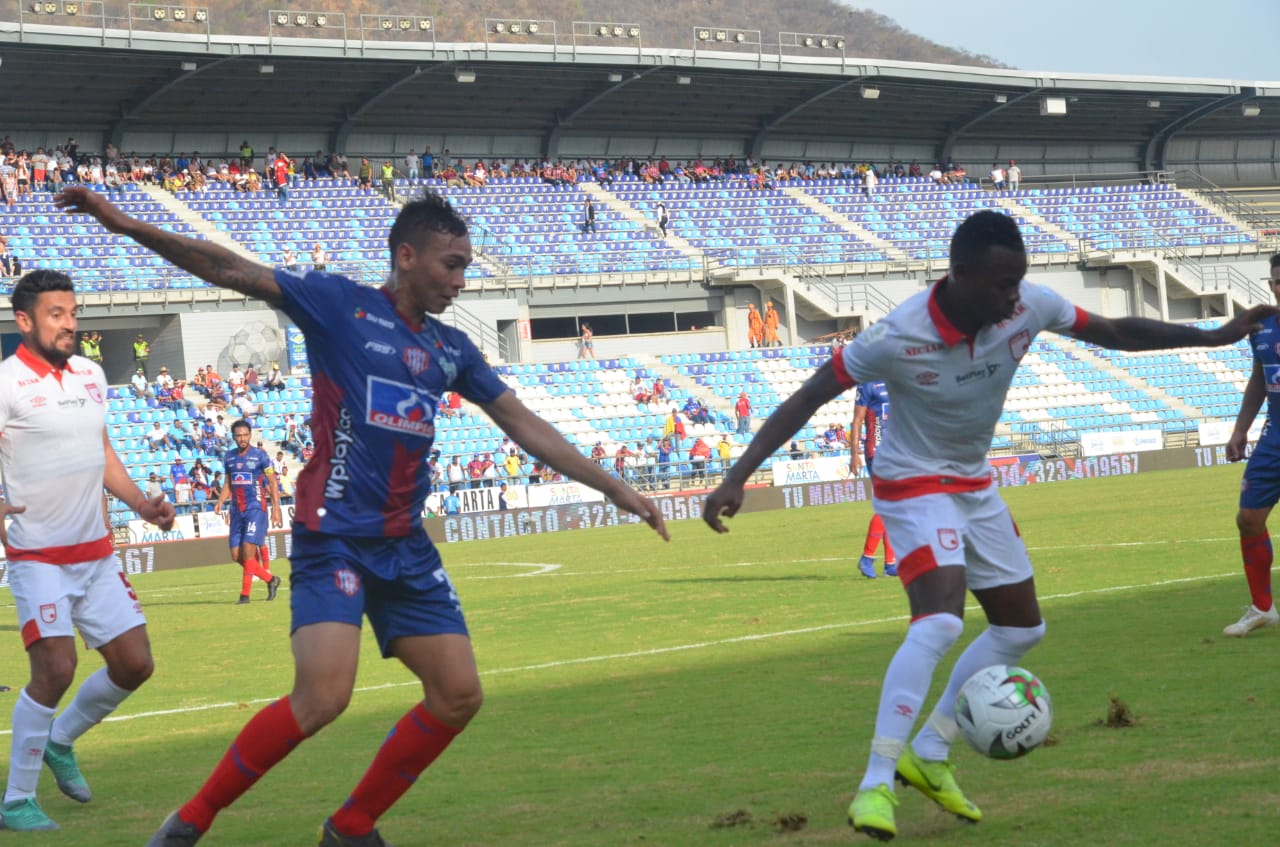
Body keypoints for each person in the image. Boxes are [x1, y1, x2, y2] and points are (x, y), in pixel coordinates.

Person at [54, 185, 670, 847]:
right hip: (335, 538)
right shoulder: (339, 306)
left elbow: (522, 422)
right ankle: (190, 819)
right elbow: (229, 268)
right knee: (322, 698)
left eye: (466, 265)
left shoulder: (450, 349)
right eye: (450, 264)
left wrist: (614, 486)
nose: (460, 280)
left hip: (405, 546)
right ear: (406, 256)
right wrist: (122, 224)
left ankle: (350, 826)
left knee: (459, 693)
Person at [701, 209, 1276, 841]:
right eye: (1002, 285)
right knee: (941, 619)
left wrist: (1213, 337)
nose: (1013, 297)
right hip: (913, 480)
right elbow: (807, 396)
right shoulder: (897, 334)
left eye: (1019, 282)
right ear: (961, 274)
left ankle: (931, 751)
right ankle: (874, 784)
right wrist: (737, 476)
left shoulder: (1028, 305)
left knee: (1022, 629)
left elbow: (1113, 329)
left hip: (974, 482)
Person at [0, 270, 176, 832]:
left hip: (96, 554)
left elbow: (101, 453)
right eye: (57, 314)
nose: (70, 323)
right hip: (38, 557)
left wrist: (141, 506)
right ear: (24, 320)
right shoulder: (6, 384)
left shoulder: (92, 375)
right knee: (56, 667)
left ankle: (61, 738)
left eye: (73, 312)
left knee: (135, 664)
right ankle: (16, 802)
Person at [1224, 252, 1280, 637]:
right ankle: (1263, 608)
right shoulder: (1262, 326)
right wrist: (1241, 428)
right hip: (1275, 436)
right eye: (1276, 281)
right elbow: (1260, 377)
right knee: (1248, 519)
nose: (1279, 287)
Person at [212, 420, 284, 605]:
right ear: (233, 437)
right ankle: (271, 579)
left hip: (255, 509)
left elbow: (273, 482)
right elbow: (228, 483)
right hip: (237, 510)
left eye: (245, 435)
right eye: (238, 435)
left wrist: (276, 509)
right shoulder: (229, 457)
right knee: (236, 556)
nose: (242, 438)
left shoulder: (261, 456)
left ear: (250, 435)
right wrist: (221, 501)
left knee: (248, 551)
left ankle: (244, 596)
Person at [851, 380, 898, 579]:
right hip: (876, 450)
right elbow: (857, 420)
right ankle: (867, 558)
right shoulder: (867, 384)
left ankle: (890, 563)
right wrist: (854, 453)